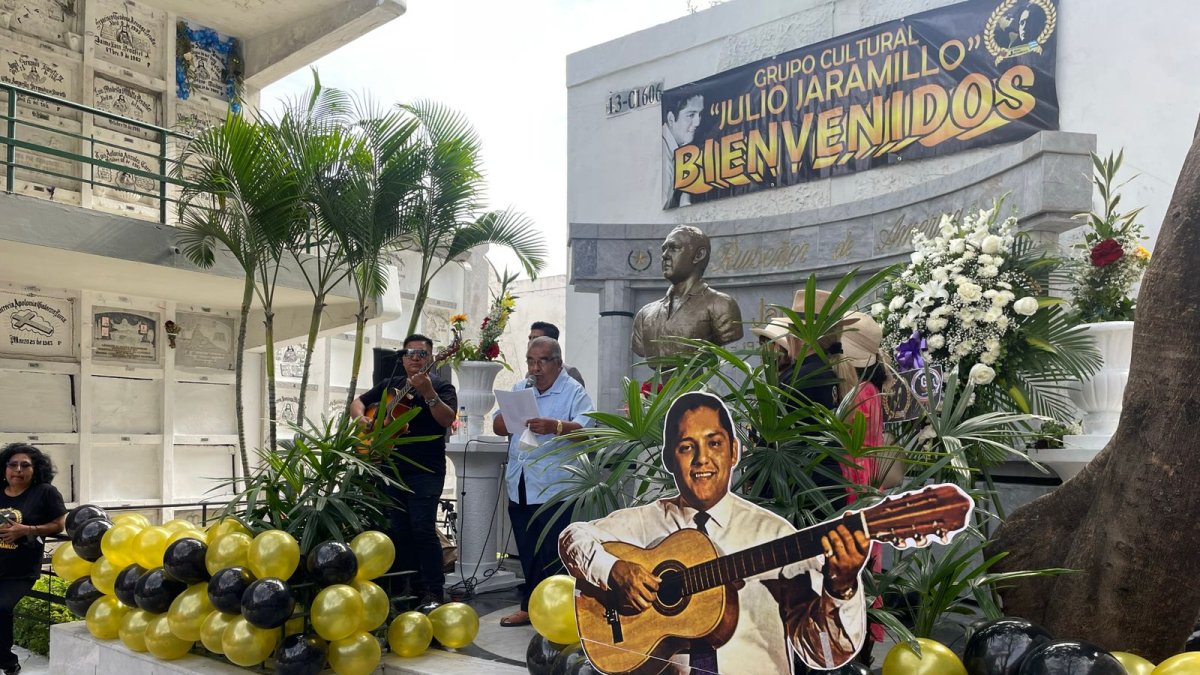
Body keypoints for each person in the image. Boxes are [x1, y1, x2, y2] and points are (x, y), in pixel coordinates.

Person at [560, 392, 868, 673]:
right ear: (669, 459)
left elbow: (825, 655)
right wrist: (613, 570)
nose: (701, 459)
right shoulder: (643, 523)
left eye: (714, 443)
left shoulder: (774, 535)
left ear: (734, 451)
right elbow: (573, 537)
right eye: (686, 447)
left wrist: (841, 589)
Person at [349, 334, 457, 605]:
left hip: (426, 469)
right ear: (403, 358)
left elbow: (447, 419)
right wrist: (361, 418)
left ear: (432, 358)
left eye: (422, 354)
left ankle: (433, 589)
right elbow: (358, 401)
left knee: (422, 527)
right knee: (398, 529)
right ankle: (406, 587)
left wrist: (429, 393)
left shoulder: (442, 387)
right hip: (391, 468)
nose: (416, 358)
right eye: (410, 354)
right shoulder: (390, 385)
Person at [493, 337, 594, 627]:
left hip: (555, 486)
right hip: (521, 481)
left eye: (542, 361)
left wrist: (556, 426)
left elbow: (588, 430)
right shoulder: (520, 388)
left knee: (553, 553)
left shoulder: (573, 391)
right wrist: (512, 419)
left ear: (558, 363)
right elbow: (499, 425)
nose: (535, 368)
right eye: (530, 361)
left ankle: (560, 613)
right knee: (527, 549)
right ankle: (530, 608)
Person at [1, 444, 67, 675]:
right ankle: (6, 660)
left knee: (2, 607)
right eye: (13, 464)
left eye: (25, 465)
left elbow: (59, 524)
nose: (18, 470)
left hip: (20, 568)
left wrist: (26, 529)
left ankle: (6, 660)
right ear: (5, 468)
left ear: (35, 469)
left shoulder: (44, 492)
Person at [632, 225, 743, 359]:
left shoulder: (722, 305)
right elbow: (639, 348)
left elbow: (728, 335)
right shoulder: (645, 314)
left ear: (698, 255)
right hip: (659, 380)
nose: (664, 255)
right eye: (664, 249)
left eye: (674, 248)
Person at [663, 89, 704, 209]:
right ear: (671, 119)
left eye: (699, 114)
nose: (697, 122)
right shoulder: (664, 158)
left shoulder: (676, 148)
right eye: (691, 115)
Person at [528, 321, 585, 386]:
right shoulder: (530, 375)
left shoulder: (569, 372)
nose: (530, 343)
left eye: (536, 339)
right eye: (530, 338)